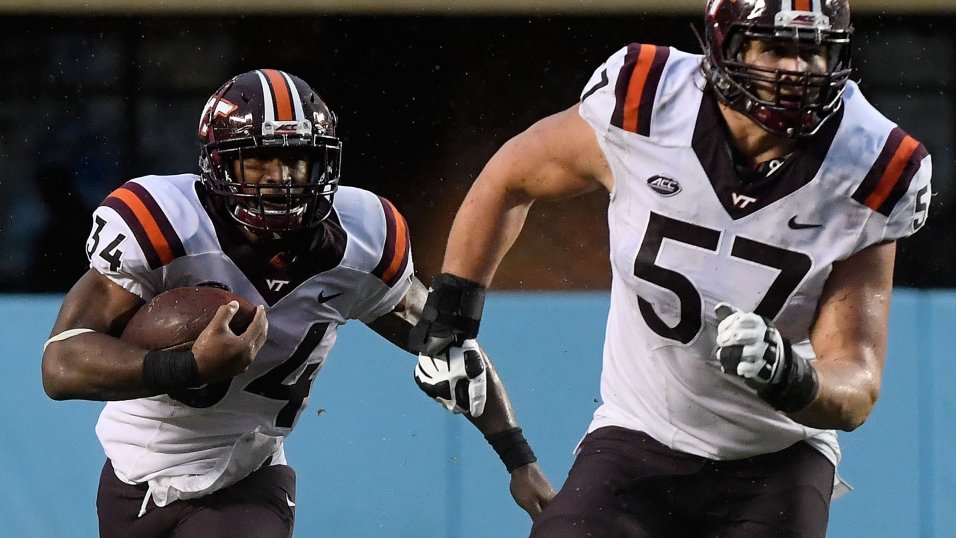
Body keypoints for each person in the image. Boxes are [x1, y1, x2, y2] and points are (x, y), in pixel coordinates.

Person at [409, 1, 933, 536]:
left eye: (814, 52)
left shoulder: (871, 164)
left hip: (777, 455)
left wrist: (789, 376)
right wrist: (451, 316)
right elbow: (511, 178)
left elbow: (856, 385)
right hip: (637, 432)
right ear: (726, 48)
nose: (797, 72)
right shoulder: (649, 101)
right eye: (776, 48)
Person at [40, 68, 554, 538]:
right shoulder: (165, 224)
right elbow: (60, 365)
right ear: (219, 162)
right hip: (135, 471)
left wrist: (518, 458)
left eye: (296, 160)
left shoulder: (360, 241)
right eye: (257, 158)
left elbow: (449, 345)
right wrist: (188, 365)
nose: (279, 178)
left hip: (249, 474)